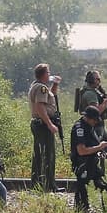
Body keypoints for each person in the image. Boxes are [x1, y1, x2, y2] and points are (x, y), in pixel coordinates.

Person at [70, 105, 107, 213]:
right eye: (94, 120)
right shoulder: (79, 128)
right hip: (82, 164)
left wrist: (101, 151)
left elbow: (92, 144)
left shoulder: (89, 126)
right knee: (82, 194)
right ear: (88, 118)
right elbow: (82, 151)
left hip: (92, 163)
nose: (95, 122)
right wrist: (100, 147)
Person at [28, 63, 61, 191]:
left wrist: (56, 84)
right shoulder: (41, 87)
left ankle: (45, 183)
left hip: (41, 124)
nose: (49, 74)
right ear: (43, 74)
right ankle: (45, 185)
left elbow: (49, 97)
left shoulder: (39, 87)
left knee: (43, 153)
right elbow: (40, 107)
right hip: (42, 125)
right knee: (46, 154)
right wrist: (50, 124)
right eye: (48, 72)